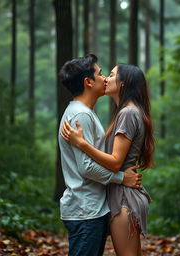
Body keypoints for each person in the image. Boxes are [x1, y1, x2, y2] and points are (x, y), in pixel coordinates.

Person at [61, 63, 155, 256]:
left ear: (123, 83)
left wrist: (83, 144)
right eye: (103, 74)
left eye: (110, 75)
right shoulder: (90, 114)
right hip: (116, 196)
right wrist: (121, 177)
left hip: (123, 198)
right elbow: (93, 165)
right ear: (87, 82)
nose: (105, 78)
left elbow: (114, 161)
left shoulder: (127, 113)